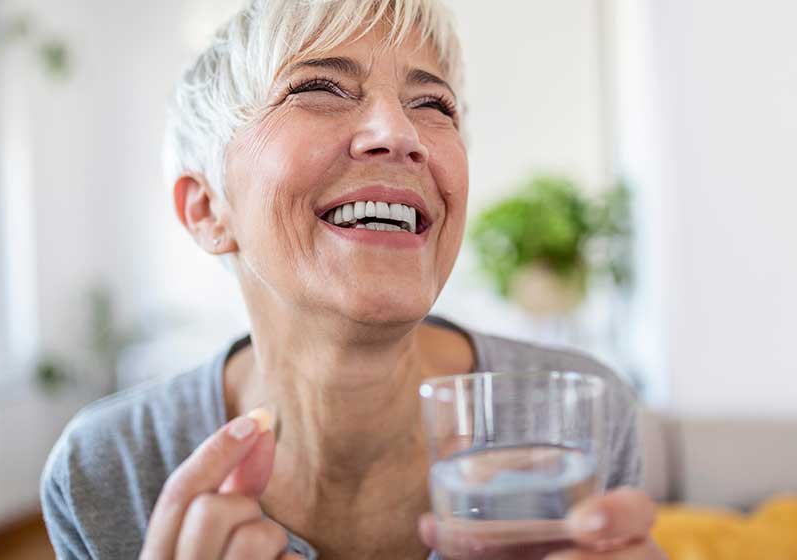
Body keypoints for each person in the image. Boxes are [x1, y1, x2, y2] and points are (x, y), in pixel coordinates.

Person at [41, 1, 664, 558]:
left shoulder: (578, 416)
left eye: (432, 104)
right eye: (319, 88)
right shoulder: (106, 469)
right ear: (207, 209)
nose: (401, 134)